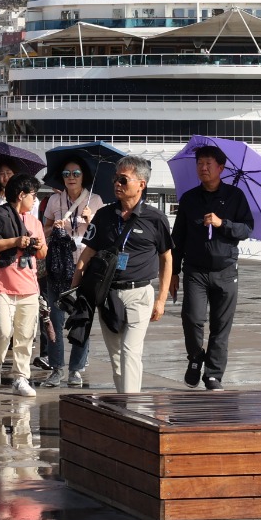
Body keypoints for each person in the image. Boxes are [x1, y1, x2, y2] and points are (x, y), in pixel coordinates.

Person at [73, 155, 172, 394]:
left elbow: (167, 258)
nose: (117, 184)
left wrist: (161, 299)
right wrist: (75, 288)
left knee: (130, 350)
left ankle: (132, 409)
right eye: (115, 179)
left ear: (141, 184)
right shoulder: (105, 215)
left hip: (139, 294)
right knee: (116, 357)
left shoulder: (156, 219)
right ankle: (124, 404)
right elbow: (88, 253)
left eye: (124, 180)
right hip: (107, 296)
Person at [169, 144, 254, 390]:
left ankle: (213, 374)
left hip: (226, 271)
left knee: (221, 326)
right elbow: (179, 238)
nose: (203, 168)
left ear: (220, 168)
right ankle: (195, 358)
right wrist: (173, 272)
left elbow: (247, 229)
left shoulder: (235, 197)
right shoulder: (189, 199)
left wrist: (222, 223)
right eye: (199, 164)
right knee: (192, 319)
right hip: (195, 271)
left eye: (208, 164)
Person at [0, 174, 46, 398]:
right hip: (2, 284)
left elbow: (43, 253)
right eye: (33, 195)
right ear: (21, 195)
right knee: (3, 331)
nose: (35, 200)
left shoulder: (34, 222)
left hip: (29, 286)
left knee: (26, 335)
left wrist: (37, 244)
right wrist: (15, 241)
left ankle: (20, 377)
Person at [37, 155, 104, 387]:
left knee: (81, 319)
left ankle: (76, 368)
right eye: (66, 174)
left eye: (76, 173)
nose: (71, 178)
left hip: (85, 268)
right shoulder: (55, 201)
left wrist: (92, 218)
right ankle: (56, 368)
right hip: (58, 267)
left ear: (84, 176)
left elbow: (103, 235)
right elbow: (42, 230)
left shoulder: (95, 200)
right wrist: (52, 228)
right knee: (54, 320)